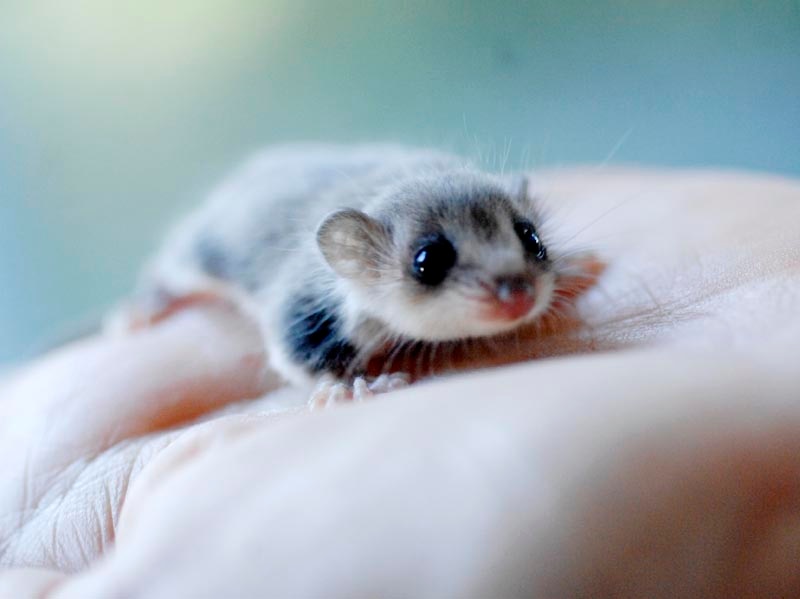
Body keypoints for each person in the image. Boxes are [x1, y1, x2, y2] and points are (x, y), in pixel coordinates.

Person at [2, 168, 800, 597]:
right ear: (361, 262)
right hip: (252, 206)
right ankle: (157, 282)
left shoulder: (503, 258)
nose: (514, 289)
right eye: (435, 264)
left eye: (527, 245)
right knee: (195, 254)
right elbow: (295, 335)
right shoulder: (326, 303)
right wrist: (334, 380)